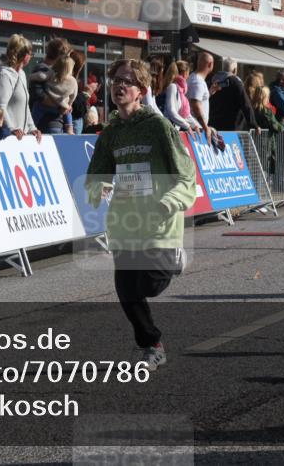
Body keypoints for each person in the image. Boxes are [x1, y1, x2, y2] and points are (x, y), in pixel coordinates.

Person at [86, 59, 197, 371]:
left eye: (128, 82)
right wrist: (98, 188)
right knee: (127, 290)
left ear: (142, 91)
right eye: (117, 80)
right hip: (125, 223)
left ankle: (174, 259)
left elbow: (187, 177)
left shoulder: (158, 127)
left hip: (159, 224)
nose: (120, 86)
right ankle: (152, 345)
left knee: (148, 285)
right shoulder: (111, 132)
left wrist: (167, 202)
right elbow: (97, 173)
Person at [0, 34, 43, 142]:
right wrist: (11, 129)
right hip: (6, 138)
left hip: (19, 137)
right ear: (25, 56)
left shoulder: (22, 74)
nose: (31, 56)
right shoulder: (4, 75)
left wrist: (32, 128)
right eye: (31, 54)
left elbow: (25, 106)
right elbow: (0, 107)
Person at [208, 57, 260, 133]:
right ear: (235, 70)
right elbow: (245, 103)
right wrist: (254, 124)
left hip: (214, 124)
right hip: (232, 127)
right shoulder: (235, 82)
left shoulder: (213, 80)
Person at [31, 55, 77, 134]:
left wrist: (32, 76)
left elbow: (42, 76)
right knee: (68, 112)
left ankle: (32, 126)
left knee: (37, 107)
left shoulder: (52, 73)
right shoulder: (73, 81)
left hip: (46, 105)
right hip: (62, 107)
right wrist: (69, 104)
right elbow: (74, 95)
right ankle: (69, 128)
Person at [29, 37, 71, 112]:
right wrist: (62, 106)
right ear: (60, 56)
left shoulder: (50, 70)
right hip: (44, 120)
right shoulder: (42, 69)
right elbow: (40, 96)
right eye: (66, 57)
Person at [252, 85, 283, 175]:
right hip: (266, 142)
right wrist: (282, 122)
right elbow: (276, 127)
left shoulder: (252, 109)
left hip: (254, 141)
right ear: (265, 97)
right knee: (265, 166)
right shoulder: (266, 111)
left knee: (256, 166)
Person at [161, 60, 200, 131]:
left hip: (174, 129)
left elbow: (186, 114)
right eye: (188, 73)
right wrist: (187, 126)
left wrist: (197, 126)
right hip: (167, 129)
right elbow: (171, 111)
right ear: (184, 73)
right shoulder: (172, 87)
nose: (188, 76)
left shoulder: (180, 91)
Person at [187, 51, 215, 138]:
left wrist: (210, 92)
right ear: (210, 64)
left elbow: (198, 100)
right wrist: (205, 127)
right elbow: (195, 104)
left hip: (196, 128)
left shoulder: (195, 78)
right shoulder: (198, 81)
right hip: (195, 130)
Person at [69, 49, 94, 134]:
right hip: (73, 122)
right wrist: (86, 94)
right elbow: (77, 107)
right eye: (82, 65)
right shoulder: (70, 80)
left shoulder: (73, 80)